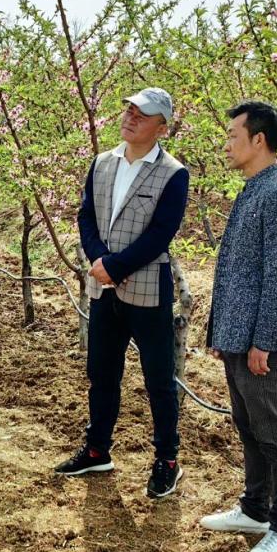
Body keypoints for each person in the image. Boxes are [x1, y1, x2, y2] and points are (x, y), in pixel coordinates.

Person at [56, 87, 190, 500]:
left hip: (147, 291)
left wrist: (115, 267)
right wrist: (98, 259)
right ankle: (97, 449)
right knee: (102, 374)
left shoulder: (173, 173)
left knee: (158, 381)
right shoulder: (102, 163)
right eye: (129, 110)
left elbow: (161, 234)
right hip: (103, 288)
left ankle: (167, 460)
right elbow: (86, 216)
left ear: (161, 127)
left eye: (142, 114)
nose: (130, 117)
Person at [199, 100, 277, 552]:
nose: (226, 145)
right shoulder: (253, 189)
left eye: (232, 136)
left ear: (258, 140)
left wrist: (263, 340)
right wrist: (223, 332)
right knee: (248, 425)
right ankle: (254, 509)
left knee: (274, 433)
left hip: (259, 340)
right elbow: (235, 270)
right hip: (237, 333)